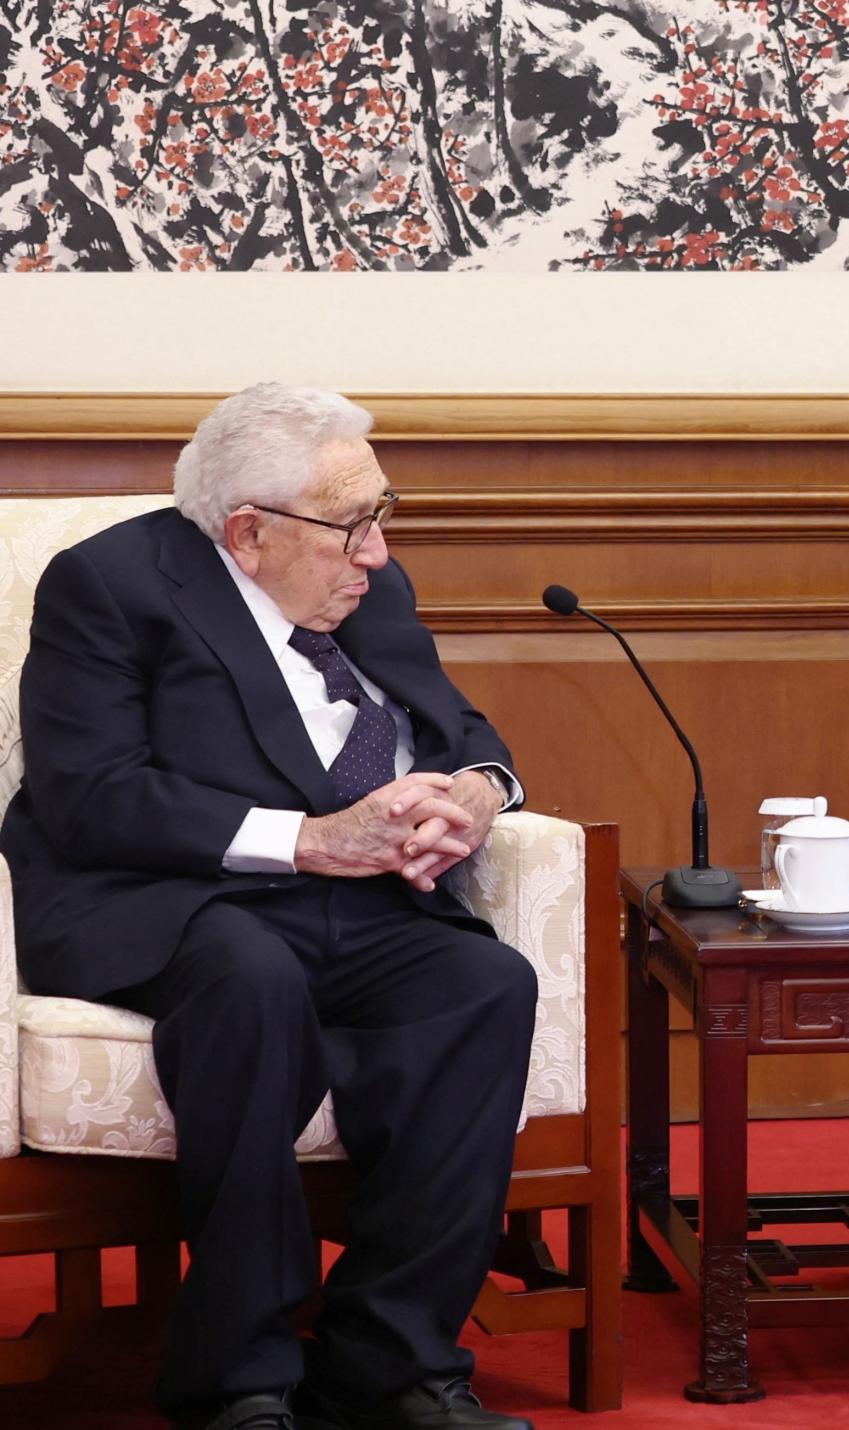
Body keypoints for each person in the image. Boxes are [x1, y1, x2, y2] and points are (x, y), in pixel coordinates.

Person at [1, 384, 542, 1430]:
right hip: (165, 896)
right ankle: (238, 1376)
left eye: (383, 515)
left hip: (349, 901)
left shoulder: (366, 588)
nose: (376, 552)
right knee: (253, 976)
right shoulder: (113, 586)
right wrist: (308, 838)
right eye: (353, 524)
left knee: (481, 981)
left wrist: (478, 794)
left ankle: (394, 1362)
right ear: (247, 532)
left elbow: (462, 726)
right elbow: (91, 793)